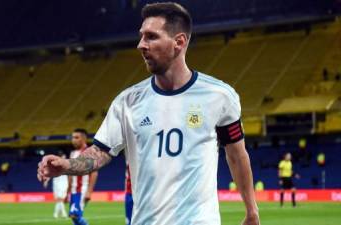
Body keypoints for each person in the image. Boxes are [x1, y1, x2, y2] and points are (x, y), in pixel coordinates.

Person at [38, 2, 260, 225]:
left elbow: (236, 154)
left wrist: (251, 210)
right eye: (141, 36)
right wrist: (66, 165)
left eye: (151, 37)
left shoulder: (219, 96)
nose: (141, 45)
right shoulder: (128, 101)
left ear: (179, 42)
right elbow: (101, 151)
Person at [67, 129, 98, 225]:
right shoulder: (73, 153)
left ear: (84, 138)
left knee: (75, 215)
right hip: (73, 191)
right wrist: (67, 190)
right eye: (72, 137)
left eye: (76, 137)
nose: (73, 140)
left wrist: (89, 191)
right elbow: (70, 173)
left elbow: (94, 172)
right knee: (75, 218)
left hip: (82, 190)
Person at [43, 152, 69, 218]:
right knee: (59, 199)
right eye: (63, 157)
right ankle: (62, 214)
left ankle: (58, 214)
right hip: (56, 183)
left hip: (64, 183)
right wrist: (46, 181)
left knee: (61, 199)